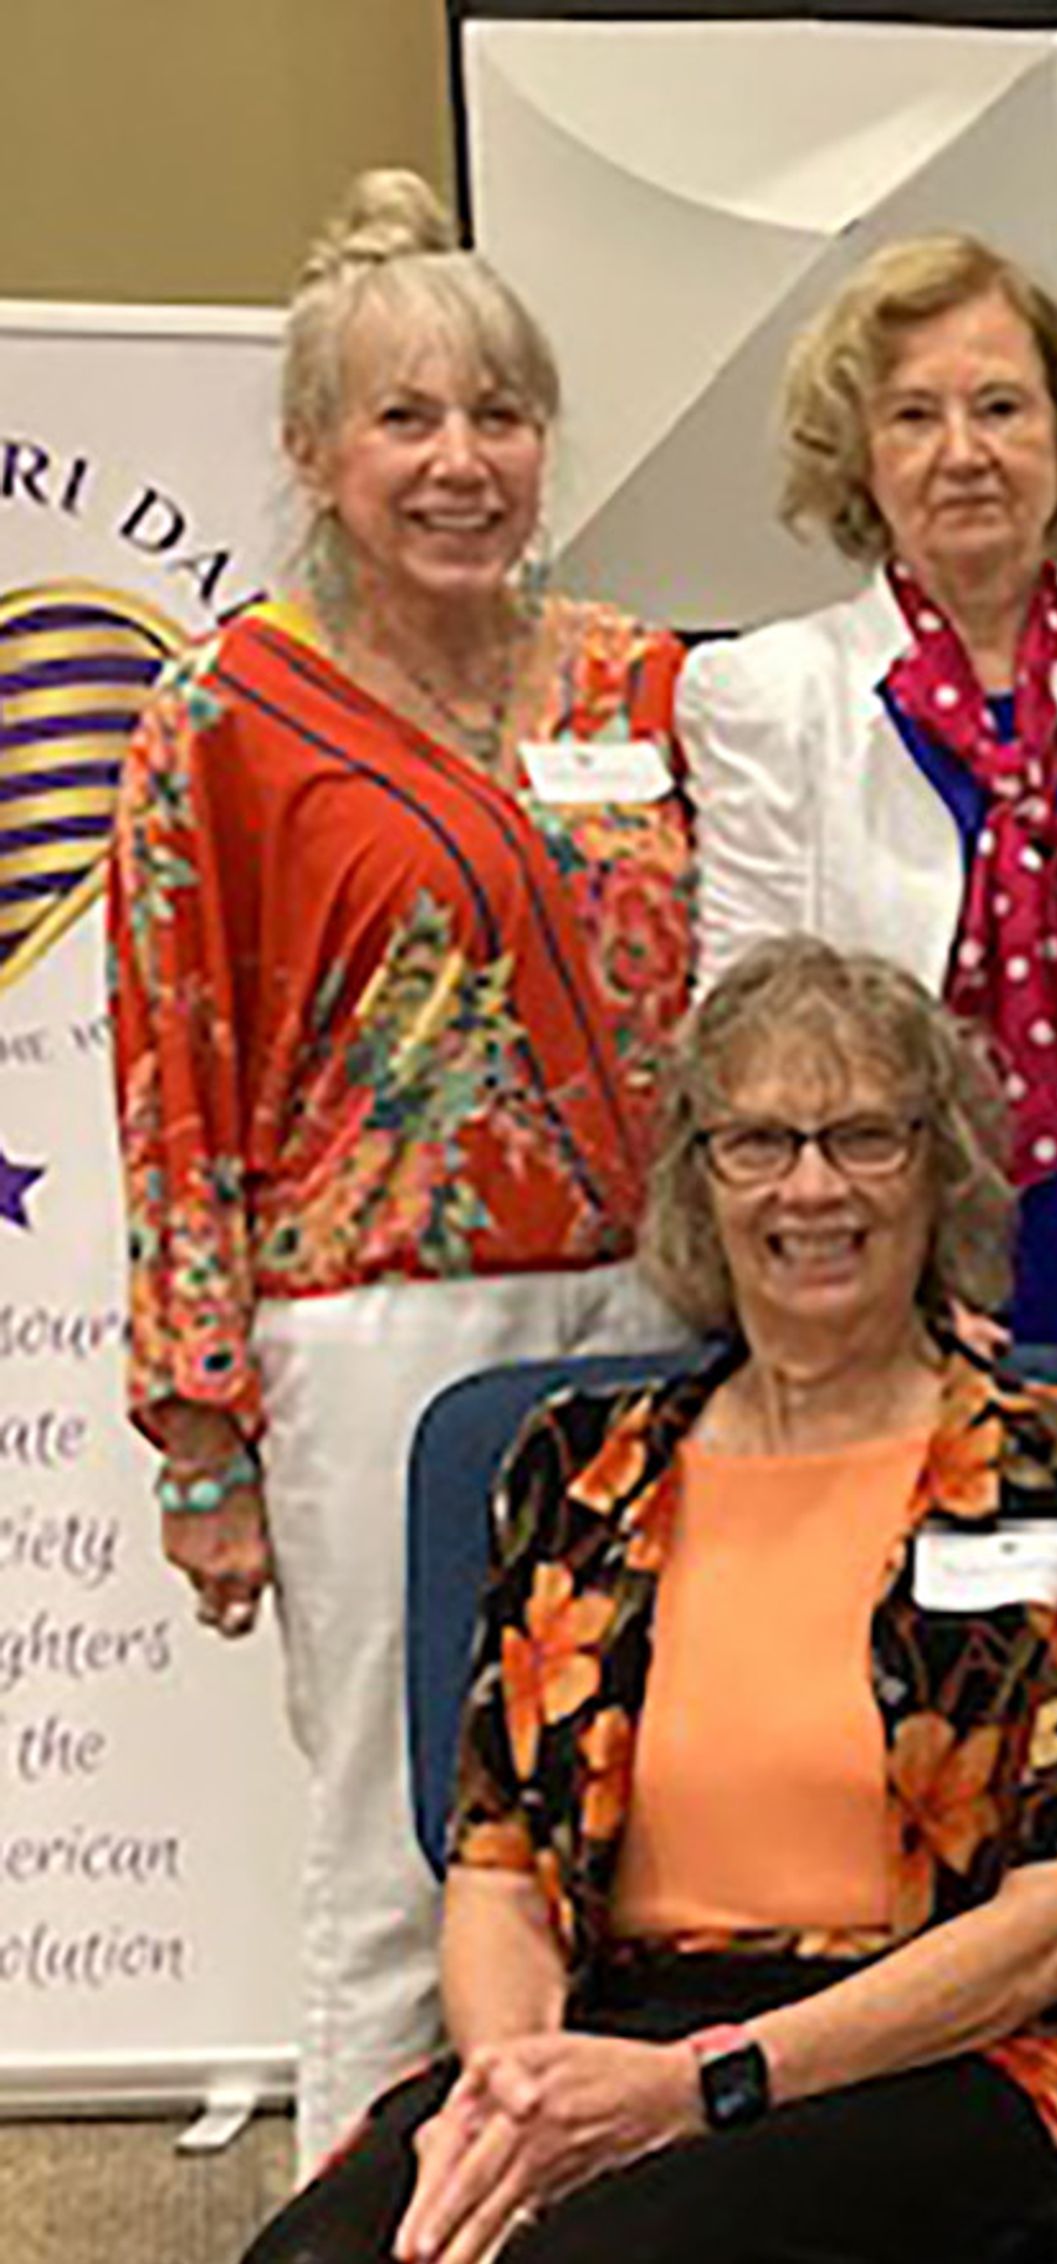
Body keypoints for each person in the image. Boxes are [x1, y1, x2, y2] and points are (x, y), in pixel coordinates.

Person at [241, 938, 1057, 2264]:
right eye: (761, 1142)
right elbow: (499, 1877)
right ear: (698, 1181)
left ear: (940, 1168)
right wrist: (517, 2095)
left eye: (863, 1137)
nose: (812, 1186)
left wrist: (702, 2088)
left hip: (975, 2048)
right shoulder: (574, 1468)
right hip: (623, 2027)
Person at [108, 168, 695, 2170]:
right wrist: (201, 1436)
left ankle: (580, 2184)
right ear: (313, 453)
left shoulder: (636, 681)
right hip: (376, 1333)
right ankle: (369, 2204)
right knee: (398, 1819)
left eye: (500, 417)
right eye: (408, 421)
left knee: (635, 1802)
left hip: (651, 1302)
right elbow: (171, 1074)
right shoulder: (228, 715)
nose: (463, 463)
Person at [680, 234, 1057, 1797]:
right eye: (916, 415)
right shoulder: (771, 691)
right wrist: (892, 1268)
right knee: (930, 1722)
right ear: (857, 456)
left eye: (1002, 407)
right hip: (894, 1287)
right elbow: (750, 1029)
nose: (965, 453)